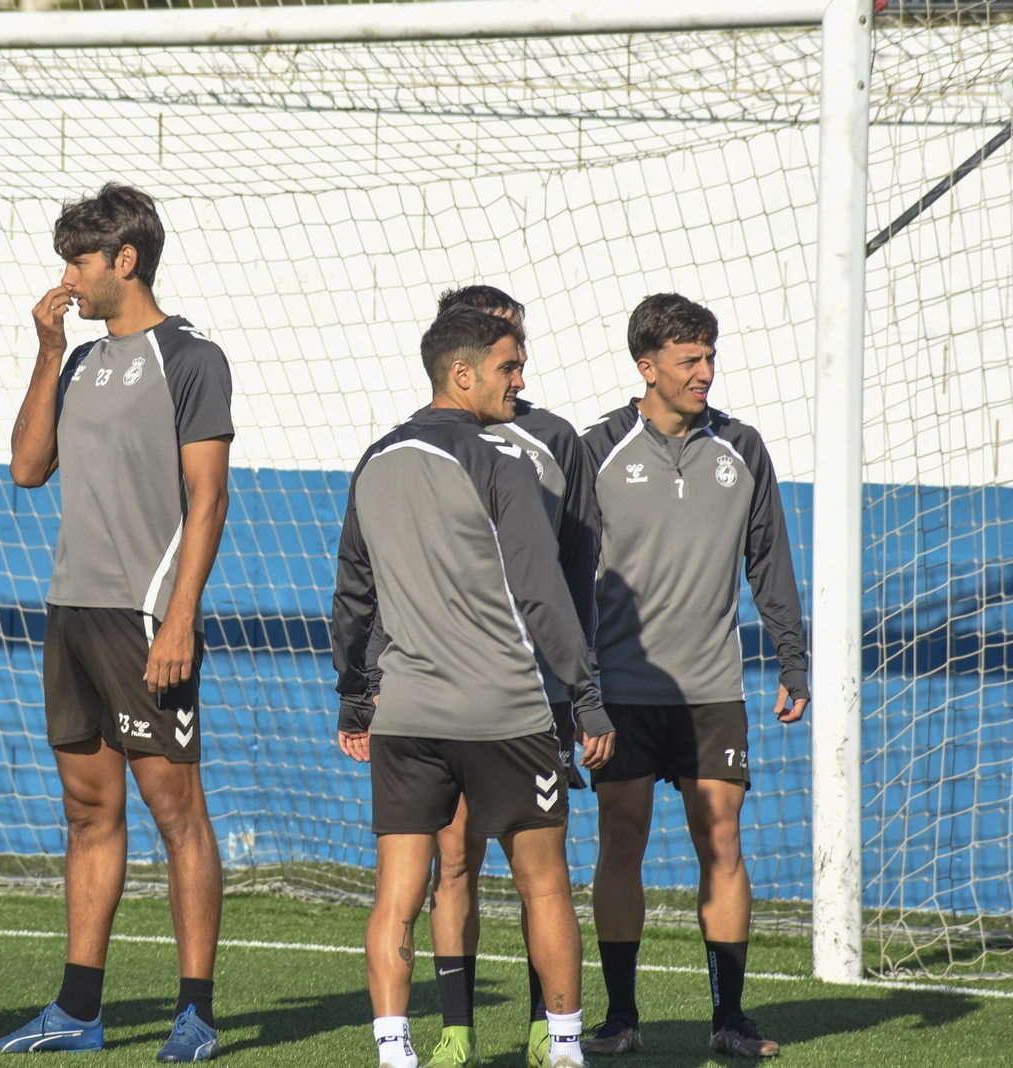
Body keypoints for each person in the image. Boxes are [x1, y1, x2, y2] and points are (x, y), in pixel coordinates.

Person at [0, 183, 234, 1062]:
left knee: (176, 812)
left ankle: (195, 1014)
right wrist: (48, 350)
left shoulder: (192, 357)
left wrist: (180, 619)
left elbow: (209, 498)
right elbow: (26, 467)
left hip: (146, 619)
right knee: (88, 811)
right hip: (72, 613)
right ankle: (77, 1011)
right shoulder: (80, 360)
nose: (67, 278)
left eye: (79, 261)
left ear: (125, 260)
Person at [333, 306, 615, 1068]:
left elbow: (353, 596)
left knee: (398, 893)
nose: (519, 382)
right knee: (544, 884)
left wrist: (355, 697)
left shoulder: (373, 462)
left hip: (406, 717)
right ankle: (564, 1049)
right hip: (506, 713)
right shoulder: (500, 465)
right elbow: (543, 594)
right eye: (508, 368)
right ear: (462, 374)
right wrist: (586, 698)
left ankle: (395, 1054)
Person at [579, 293, 808, 1059]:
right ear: (647, 367)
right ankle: (620, 1016)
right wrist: (572, 686)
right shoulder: (596, 450)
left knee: (723, 841)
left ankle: (730, 1018)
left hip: (714, 691)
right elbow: (562, 574)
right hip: (621, 691)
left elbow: (769, 559)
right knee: (622, 838)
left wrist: (792, 657)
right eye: (689, 360)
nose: (705, 371)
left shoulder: (741, 448)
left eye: (709, 356)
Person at [402, 285, 599, 1068]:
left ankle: (548, 1028)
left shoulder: (554, 441)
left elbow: (573, 574)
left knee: (538, 871)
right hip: (443, 693)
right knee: (452, 860)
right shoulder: (420, 444)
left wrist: (579, 690)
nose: (515, 371)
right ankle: (456, 1031)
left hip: (533, 695)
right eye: (501, 355)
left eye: (516, 349)